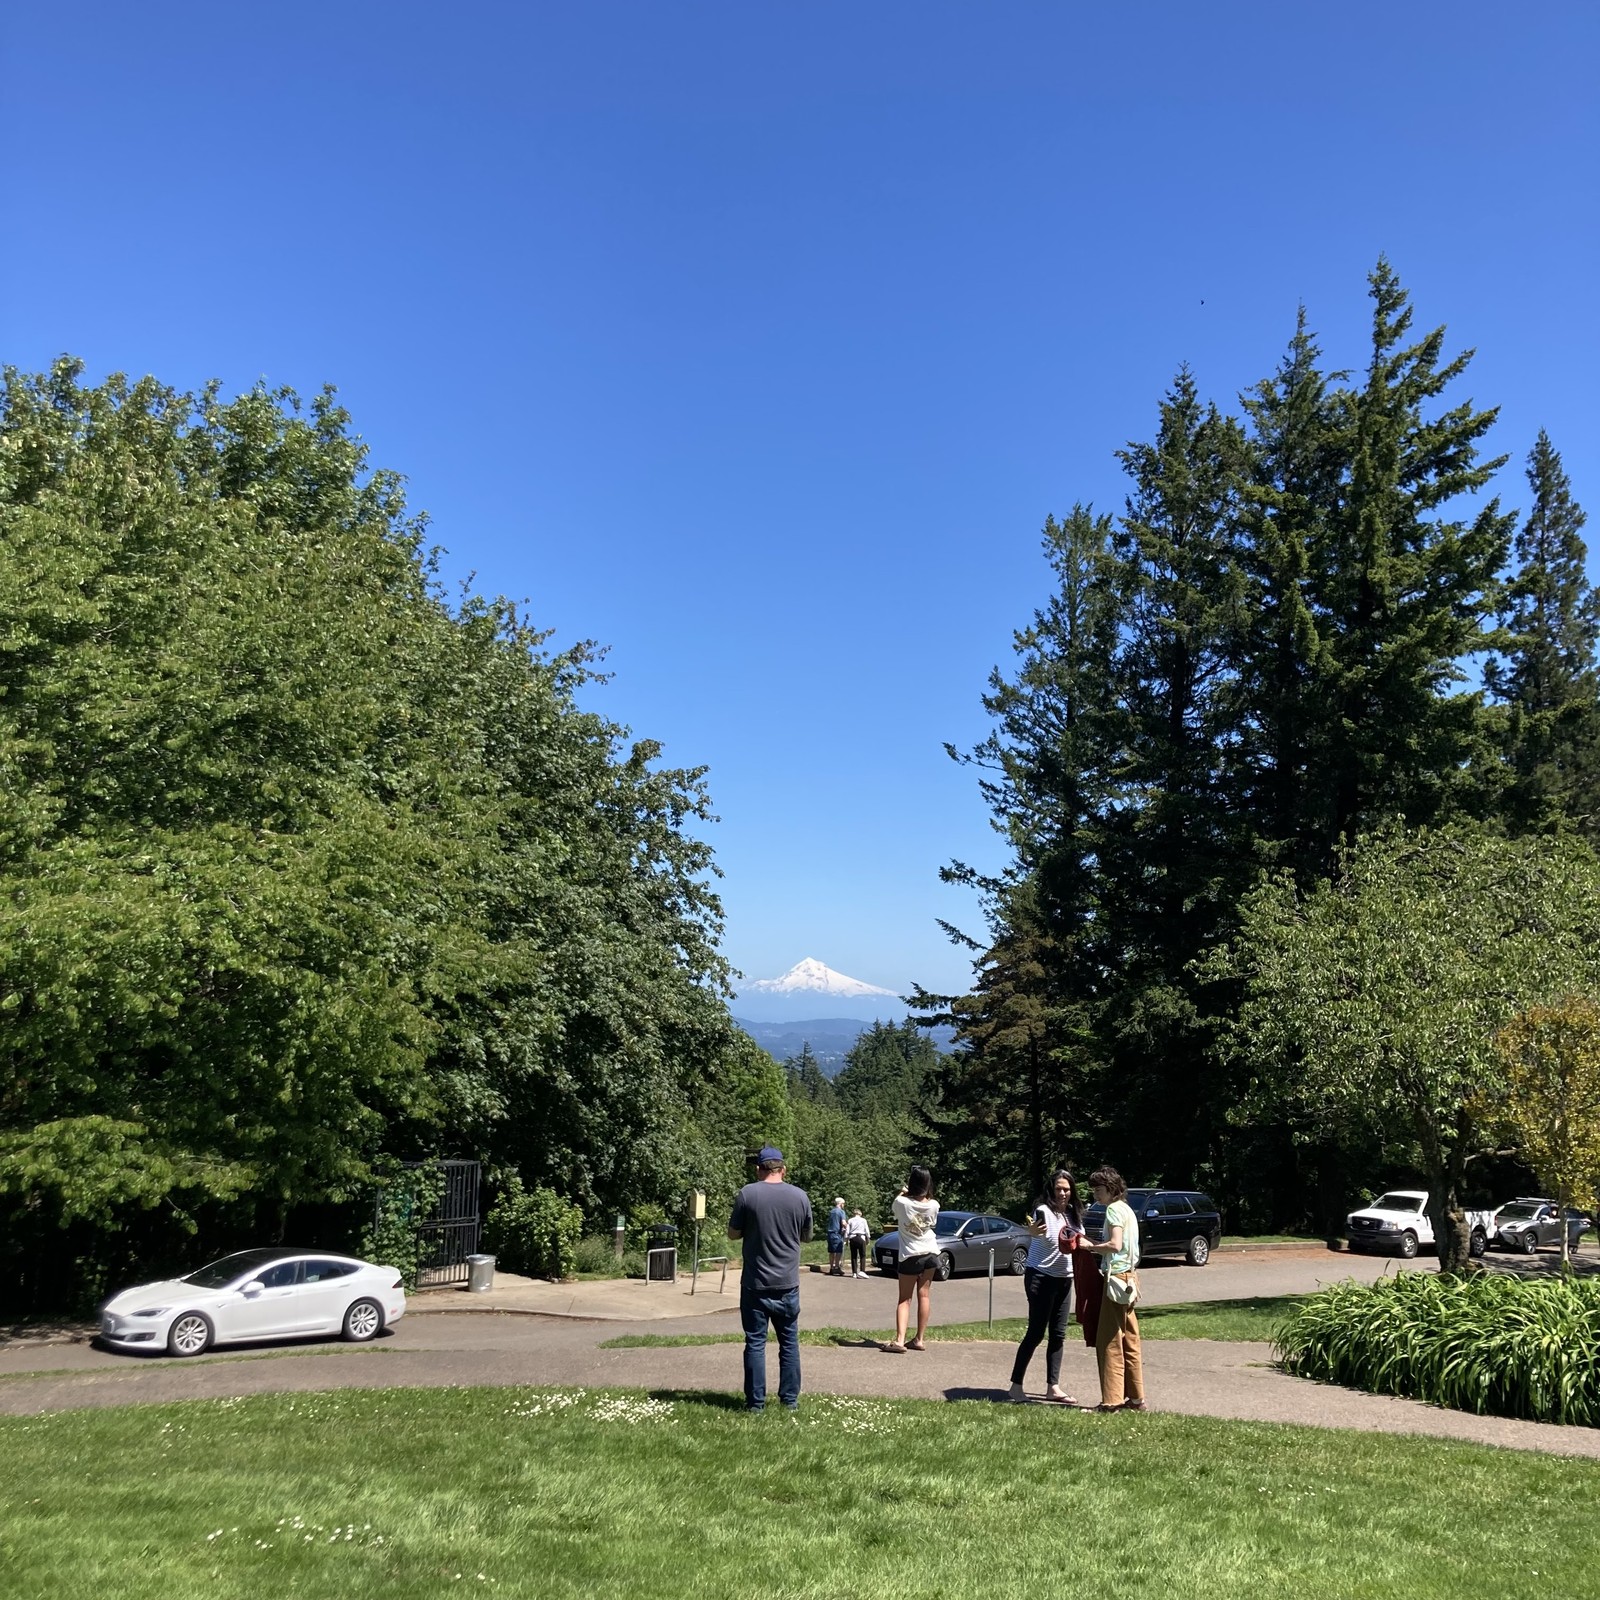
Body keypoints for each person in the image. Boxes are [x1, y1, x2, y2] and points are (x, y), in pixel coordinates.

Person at [728, 1145, 814, 1413]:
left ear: (759, 1169)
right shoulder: (800, 1197)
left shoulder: (747, 1194)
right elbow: (807, 1236)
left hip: (755, 1282)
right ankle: (789, 1402)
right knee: (789, 1342)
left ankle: (755, 1404)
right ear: (783, 1169)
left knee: (755, 1342)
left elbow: (733, 1233)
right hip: (787, 1282)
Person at [1007, 1167, 1081, 1404]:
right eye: (1059, 1188)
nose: (1063, 1193)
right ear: (1051, 1189)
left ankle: (1053, 1387)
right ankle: (1016, 1387)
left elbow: (1080, 1241)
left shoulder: (1073, 1214)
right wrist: (1030, 1231)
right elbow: (1035, 1231)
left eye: (1067, 1189)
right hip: (1040, 1276)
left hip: (1064, 1279)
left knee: (1058, 1334)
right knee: (1036, 1333)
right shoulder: (1043, 1211)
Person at [1081, 1166, 1145, 1412]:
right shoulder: (1128, 1209)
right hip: (1130, 1279)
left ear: (1111, 1189)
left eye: (1098, 1189)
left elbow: (1115, 1245)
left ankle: (1111, 1401)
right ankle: (1136, 1398)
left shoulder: (1113, 1211)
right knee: (1130, 1339)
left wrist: (1089, 1246)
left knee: (1108, 1340)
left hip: (1116, 1279)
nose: (1096, 1194)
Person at [883, 1165, 939, 1353]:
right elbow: (931, 1218)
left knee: (904, 1299)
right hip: (931, 1252)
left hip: (910, 1254)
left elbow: (896, 1204)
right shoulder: (934, 1205)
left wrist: (904, 1192)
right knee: (924, 1296)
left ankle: (900, 1341)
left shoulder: (902, 1203)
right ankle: (919, 1339)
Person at [845, 1208, 871, 1278]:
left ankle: (854, 1273)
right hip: (861, 1237)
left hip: (852, 1238)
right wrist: (868, 1239)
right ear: (860, 1213)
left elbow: (847, 1231)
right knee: (862, 1255)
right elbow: (866, 1230)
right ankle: (862, 1271)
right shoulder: (863, 1220)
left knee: (854, 1255)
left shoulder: (850, 1220)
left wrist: (846, 1240)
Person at [827, 1196, 848, 1276]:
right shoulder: (841, 1212)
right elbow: (843, 1223)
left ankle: (831, 1267)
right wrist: (848, 1227)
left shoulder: (832, 1211)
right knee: (838, 1251)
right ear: (840, 1204)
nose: (844, 1205)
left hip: (830, 1233)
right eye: (843, 1204)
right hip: (837, 1233)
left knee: (831, 1251)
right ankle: (837, 1267)